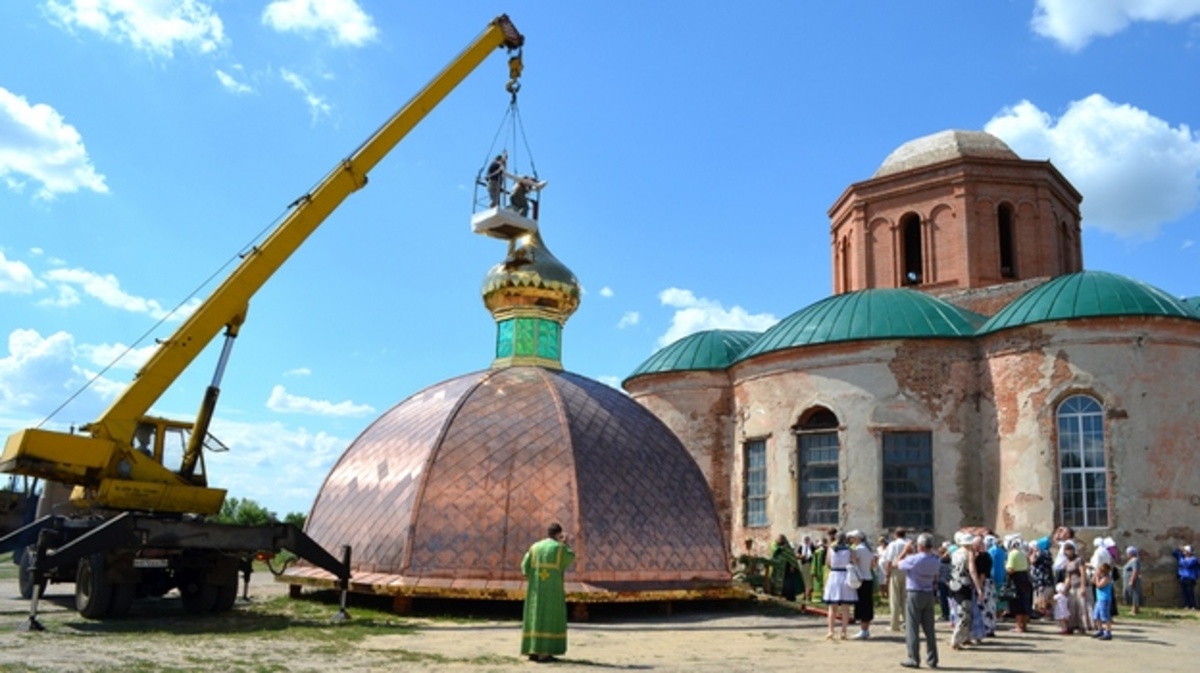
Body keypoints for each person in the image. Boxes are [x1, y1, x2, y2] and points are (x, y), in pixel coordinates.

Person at [520, 522, 576, 662]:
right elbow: (570, 556)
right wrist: (565, 543)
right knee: (550, 618)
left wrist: (535, 577)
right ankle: (545, 652)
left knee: (536, 617)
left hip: (536, 589)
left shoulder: (535, 547)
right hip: (553, 590)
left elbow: (525, 568)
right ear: (559, 534)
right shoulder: (559, 548)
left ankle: (533, 650)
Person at [896, 533, 940, 669]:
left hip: (914, 592)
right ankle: (933, 659)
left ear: (920, 546)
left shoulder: (914, 559)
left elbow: (896, 563)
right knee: (929, 629)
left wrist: (905, 551)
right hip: (928, 592)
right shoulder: (935, 559)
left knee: (912, 627)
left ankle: (914, 658)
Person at [822, 531, 857, 640]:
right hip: (845, 575)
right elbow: (854, 562)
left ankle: (830, 631)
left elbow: (827, 563)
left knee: (832, 607)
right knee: (846, 607)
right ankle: (844, 631)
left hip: (834, 575)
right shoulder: (849, 549)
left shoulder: (831, 549)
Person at [948, 532, 980, 650]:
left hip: (954, 584)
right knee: (965, 614)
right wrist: (978, 588)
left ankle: (965, 637)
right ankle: (956, 639)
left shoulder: (955, 552)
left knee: (963, 612)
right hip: (964, 585)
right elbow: (972, 571)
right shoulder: (969, 553)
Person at [848, 530, 875, 639]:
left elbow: (855, 562)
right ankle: (865, 629)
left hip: (861, 579)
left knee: (862, 605)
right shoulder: (868, 549)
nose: (851, 540)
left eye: (853, 538)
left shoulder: (858, 549)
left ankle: (863, 630)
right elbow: (873, 564)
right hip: (868, 577)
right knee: (867, 603)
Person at [882, 527, 910, 632]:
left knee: (894, 598)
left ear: (895, 534)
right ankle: (908, 623)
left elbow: (889, 561)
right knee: (906, 599)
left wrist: (887, 575)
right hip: (908, 571)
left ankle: (894, 624)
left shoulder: (893, 545)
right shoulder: (909, 543)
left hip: (896, 570)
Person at [1005, 536, 1034, 633]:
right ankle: (1024, 625)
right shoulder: (1023, 553)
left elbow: (1010, 569)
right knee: (1025, 602)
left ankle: (1019, 626)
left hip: (1016, 579)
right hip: (1025, 578)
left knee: (1017, 603)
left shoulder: (1012, 554)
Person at [768, 534, 803, 602]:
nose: (780, 540)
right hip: (777, 568)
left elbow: (792, 557)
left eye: (781, 539)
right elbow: (775, 553)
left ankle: (789, 596)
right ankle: (777, 595)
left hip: (787, 568)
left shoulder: (787, 547)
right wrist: (781, 548)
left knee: (788, 583)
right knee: (776, 582)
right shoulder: (775, 545)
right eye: (779, 539)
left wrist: (792, 565)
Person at [1092, 562, 1114, 640]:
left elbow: (1099, 586)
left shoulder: (1107, 578)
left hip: (1105, 599)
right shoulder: (1101, 577)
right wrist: (1095, 575)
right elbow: (1093, 582)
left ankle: (1108, 632)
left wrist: (1097, 576)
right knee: (1096, 615)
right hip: (1099, 599)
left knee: (1105, 616)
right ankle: (1100, 629)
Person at [1174, 544, 1199, 609]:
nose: (1184, 552)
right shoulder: (1182, 558)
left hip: (1190, 578)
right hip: (1183, 577)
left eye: (1185, 551)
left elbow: (1188, 565)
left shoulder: (1193, 559)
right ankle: (1187, 605)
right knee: (1184, 592)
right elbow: (1174, 553)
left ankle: (1192, 605)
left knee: (1190, 592)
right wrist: (1179, 549)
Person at [1122, 546, 1142, 615]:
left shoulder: (1135, 560)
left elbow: (1135, 571)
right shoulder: (1131, 561)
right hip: (1129, 580)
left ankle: (1135, 610)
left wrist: (1132, 580)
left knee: (1135, 594)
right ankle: (1133, 609)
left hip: (1133, 580)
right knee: (1131, 594)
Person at [797, 534, 816, 603]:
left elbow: (815, 554)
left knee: (810, 581)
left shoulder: (812, 546)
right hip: (804, 564)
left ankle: (809, 595)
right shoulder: (801, 546)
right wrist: (801, 556)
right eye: (805, 539)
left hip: (810, 565)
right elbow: (797, 554)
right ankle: (804, 595)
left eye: (807, 539)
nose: (806, 541)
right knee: (804, 580)